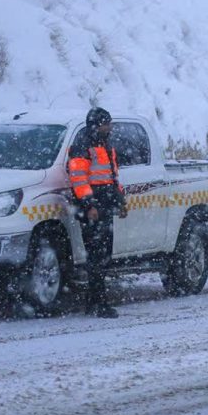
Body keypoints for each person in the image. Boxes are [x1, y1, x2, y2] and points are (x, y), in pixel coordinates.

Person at [68, 107, 128, 318]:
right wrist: (89, 205)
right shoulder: (83, 146)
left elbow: (113, 177)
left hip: (105, 206)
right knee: (96, 256)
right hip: (92, 209)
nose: (109, 127)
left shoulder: (105, 145)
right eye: (107, 124)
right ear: (97, 125)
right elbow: (78, 178)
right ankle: (99, 303)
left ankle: (93, 301)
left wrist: (120, 201)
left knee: (103, 256)